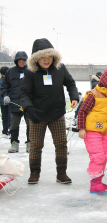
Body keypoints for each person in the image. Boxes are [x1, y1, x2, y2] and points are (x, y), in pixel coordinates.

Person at [20, 38, 79, 184]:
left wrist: (73, 96)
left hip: (57, 113)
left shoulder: (60, 69)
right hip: (37, 114)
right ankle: (34, 173)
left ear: (54, 57)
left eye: (49, 56)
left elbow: (70, 83)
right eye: (43, 57)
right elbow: (24, 93)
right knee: (35, 145)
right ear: (36, 59)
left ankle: (61, 173)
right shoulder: (30, 72)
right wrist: (28, 108)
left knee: (61, 143)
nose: (47, 60)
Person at [1, 51, 31, 153]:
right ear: (16, 61)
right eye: (20, 61)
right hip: (14, 103)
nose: (22, 63)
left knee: (30, 125)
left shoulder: (31, 71)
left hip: (28, 103)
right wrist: (5, 95)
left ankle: (30, 144)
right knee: (13, 125)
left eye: (24, 61)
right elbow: (4, 86)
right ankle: (14, 144)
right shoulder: (10, 72)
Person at [0, 66, 11, 138]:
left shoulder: (10, 80)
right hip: (2, 101)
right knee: (4, 117)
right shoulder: (0, 81)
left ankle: (11, 130)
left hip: (10, 101)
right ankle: (5, 130)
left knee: (10, 117)